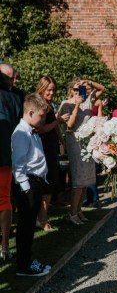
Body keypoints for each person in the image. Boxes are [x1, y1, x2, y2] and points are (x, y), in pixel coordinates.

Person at [12, 93, 51, 277]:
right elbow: (18, 164)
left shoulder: (32, 130)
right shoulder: (21, 133)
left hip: (36, 182)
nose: (43, 120)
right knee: (26, 227)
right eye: (41, 116)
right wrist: (26, 188)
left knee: (29, 226)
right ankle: (24, 266)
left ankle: (26, 260)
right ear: (30, 112)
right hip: (28, 185)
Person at [58, 78, 105, 225]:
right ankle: (72, 213)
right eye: (76, 89)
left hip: (88, 142)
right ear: (71, 90)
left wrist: (89, 82)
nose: (79, 92)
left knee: (86, 179)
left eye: (81, 89)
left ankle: (78, 210)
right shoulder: (66, 104)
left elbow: (102, 88)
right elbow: (70, 125)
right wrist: (77, 105)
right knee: (78, 179)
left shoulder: (89, 100)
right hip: (75, 142)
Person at [35, 76, 69, 231]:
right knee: (46, 185)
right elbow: (41, 128)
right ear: (41, 88)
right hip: (43, 147)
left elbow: (53, 126)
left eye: (53, 90)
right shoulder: (39, 104)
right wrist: (59, 120)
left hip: (51, 146)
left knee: (50, 184)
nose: (51, 93)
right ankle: (42, 219)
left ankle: (43, 217)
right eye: (48, 90)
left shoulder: (48, 104)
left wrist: (61, 140)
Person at [0, 68, 22, 262]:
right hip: (6, 153)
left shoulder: (13, 97)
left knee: (5, 200)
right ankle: (5, 246)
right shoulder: (14, 98)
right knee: (4, 200)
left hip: (5, 154)